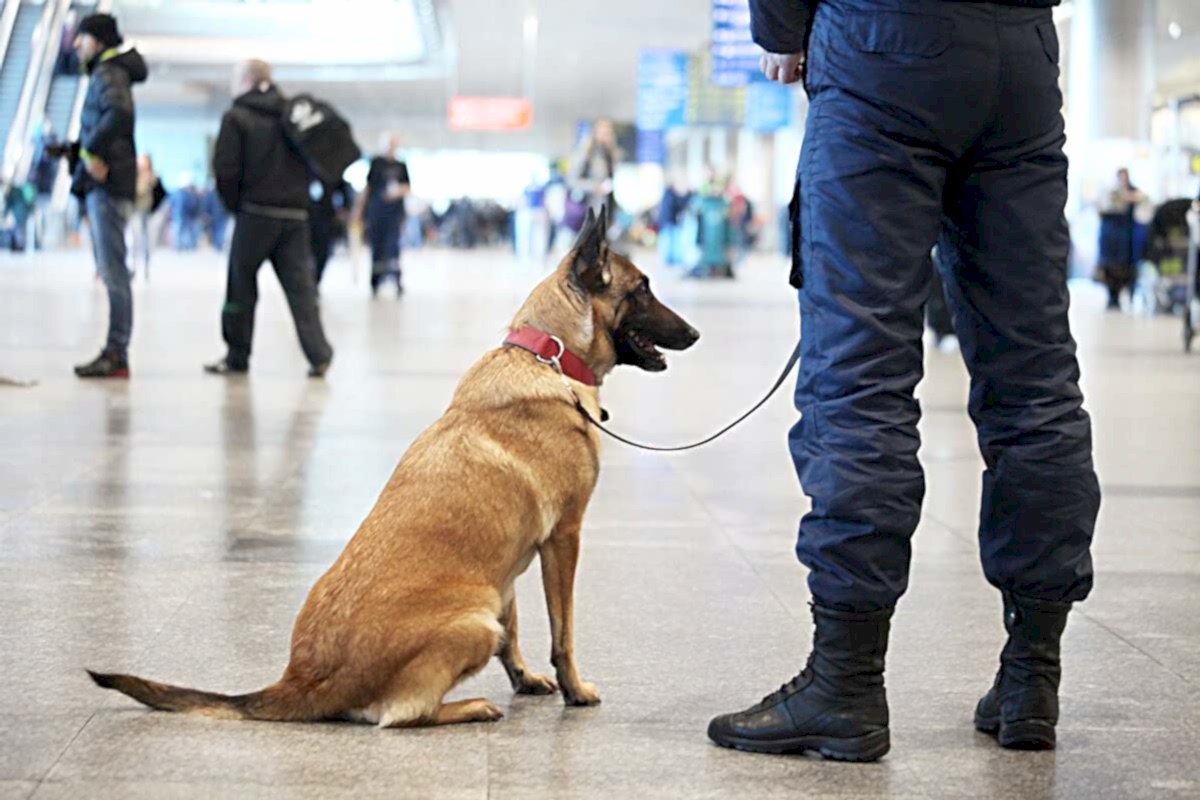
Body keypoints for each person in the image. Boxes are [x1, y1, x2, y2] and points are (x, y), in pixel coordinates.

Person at [708, 0, 1100, 761]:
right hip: (1022, 57)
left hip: (883, 46)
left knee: (860, 372)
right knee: (1036, 373)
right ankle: (1032, 677)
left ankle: (845, 684)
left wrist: (785, 32)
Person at [204, 59, 334, 378]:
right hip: (294, 215)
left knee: (240, 287)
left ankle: (237, 356)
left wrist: (235, 205)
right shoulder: (294, 116)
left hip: (255, 214)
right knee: (301, 289)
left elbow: (225, 169)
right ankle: (319, 354)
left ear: (247, 80)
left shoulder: (237, 117)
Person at [67, 13, 148, 379]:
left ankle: (117, 353)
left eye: (81, 38)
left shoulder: (107, 72)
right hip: (112, 181)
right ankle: (116, 350)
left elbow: (119, 113)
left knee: (114, 271)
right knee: (112, 269)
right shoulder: (110, 72)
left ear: (97, 40)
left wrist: (90, 153)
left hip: (108, 184)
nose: (76, 45)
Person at [354, 134, 410, 297]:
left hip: (394, 214)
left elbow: (407, 187)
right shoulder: (376, 163)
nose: (390, 147)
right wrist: (358, 210)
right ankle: (375, 282)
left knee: (393, 247)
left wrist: (397, 192)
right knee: (376, 248)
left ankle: (396, 281)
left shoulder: (401, 165)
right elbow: (367, 187)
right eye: (388, 144)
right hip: (376, 213)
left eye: (393, 144)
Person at [1098, 167, 1148, 310]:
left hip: (1126, 239)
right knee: (1110, 268)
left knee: (1126, 268)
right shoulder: (1110, 192)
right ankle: (1112, 296)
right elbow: (1101, 209)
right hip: (1111, 238)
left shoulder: (1134, 191)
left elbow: (1143, 201)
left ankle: (1127, 294)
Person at [568, 119, 619, 224]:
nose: (607, 136)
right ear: (595, 133)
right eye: (604, 132)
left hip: (604, 212)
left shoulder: (609, 155)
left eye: (609, 133)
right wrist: (595, 187)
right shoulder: (586, 153)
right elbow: (572, 180)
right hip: (586, 210)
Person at [309, 178, 353, 287]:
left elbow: (344, 192)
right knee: (306, 254)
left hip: (326, 219)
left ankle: (315, 282)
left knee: (322, 253)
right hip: (306, 218)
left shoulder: (331, 170)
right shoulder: (304, 167)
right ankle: (308, 283)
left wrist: (344, 209)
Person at [129, 155, 165, 278]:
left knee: (145, 238)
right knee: (134, 237)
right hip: (135, 210)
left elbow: (161, 193)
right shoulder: (134, 175)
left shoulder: (153, 176)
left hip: (147, 211)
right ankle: (133, 264)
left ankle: (145, 265)